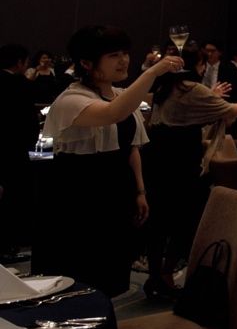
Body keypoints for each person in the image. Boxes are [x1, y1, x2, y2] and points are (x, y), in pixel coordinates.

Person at [42, 27, 183, 296]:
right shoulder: (71, 98)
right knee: (78, 274)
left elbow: (132, 148)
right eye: (113, 55)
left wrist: (140, 191)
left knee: (109, 274)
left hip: (115, 191)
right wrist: (152, 72)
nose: (123, 60)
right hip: (78, 195)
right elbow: (112, 114)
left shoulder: (120, 95)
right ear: (86, 63)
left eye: (125, 53)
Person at [142, 40, 237, 300]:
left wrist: (211, 95)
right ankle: (166, 274)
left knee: (158, 223)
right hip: (182, 161)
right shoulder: (191, 88)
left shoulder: (165, 86)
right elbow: (230, 111)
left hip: (157, 158)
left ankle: (154, 276)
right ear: (197, 65)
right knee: (183, 221)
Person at [0, 44, 38, 257]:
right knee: (16, 195)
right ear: (20, 62)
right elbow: (30, 123)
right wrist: (40, 153)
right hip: (17, 150)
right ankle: (12, 242)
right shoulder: (21, 84)